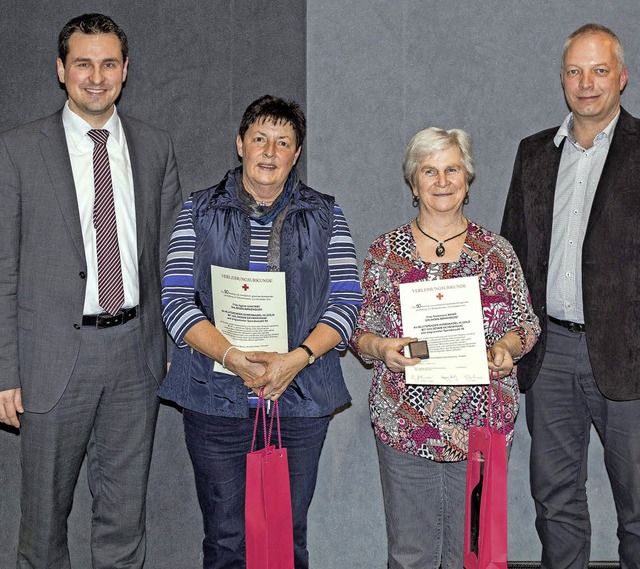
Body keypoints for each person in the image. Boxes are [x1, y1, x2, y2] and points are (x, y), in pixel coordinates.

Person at [0, 13, 182, 569]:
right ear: (61, 70)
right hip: (51, 361)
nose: (96, 77)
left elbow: (173, 262)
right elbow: (2, 267)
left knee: (124, 524)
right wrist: (6, 371)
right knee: (44, 527)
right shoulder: (16, 150)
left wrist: (174, 347)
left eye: (108, 64)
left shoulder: (154, 147)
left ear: (125, 71)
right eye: (83, 64)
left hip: (135, 355)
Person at [159, 94, 362, 569]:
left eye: (283, 142)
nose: (270, 152)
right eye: (260, 139)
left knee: (286, 538)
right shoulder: (197, 209)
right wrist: (231, 357)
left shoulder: (328, 214)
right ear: (240, 145)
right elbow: (174, 301)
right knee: (226, 539)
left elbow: (347, 302)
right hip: (215, 401)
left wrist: (297, 359)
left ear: (296, 154)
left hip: (300, 397)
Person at [351, 127, 540, 569]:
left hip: (481, 426)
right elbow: (359, 332)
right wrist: (382, 348)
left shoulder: (495, 252)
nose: (441, 180)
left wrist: (505, 347)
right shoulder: (385, 252)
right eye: (429, 170)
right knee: (409, 554)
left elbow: (526, 325)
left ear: (467, 179)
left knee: (472, 556)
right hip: (404, 426)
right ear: (413, 182)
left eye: (452, 169)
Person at [501, 23, 640, 568]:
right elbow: (510, 254)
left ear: (622, 78)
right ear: (562, 80)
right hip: (550, 354)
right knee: (554, 502)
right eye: (575, 71)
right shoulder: (533, 153)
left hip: (629, 358)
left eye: (599, 70)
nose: (586, 83)